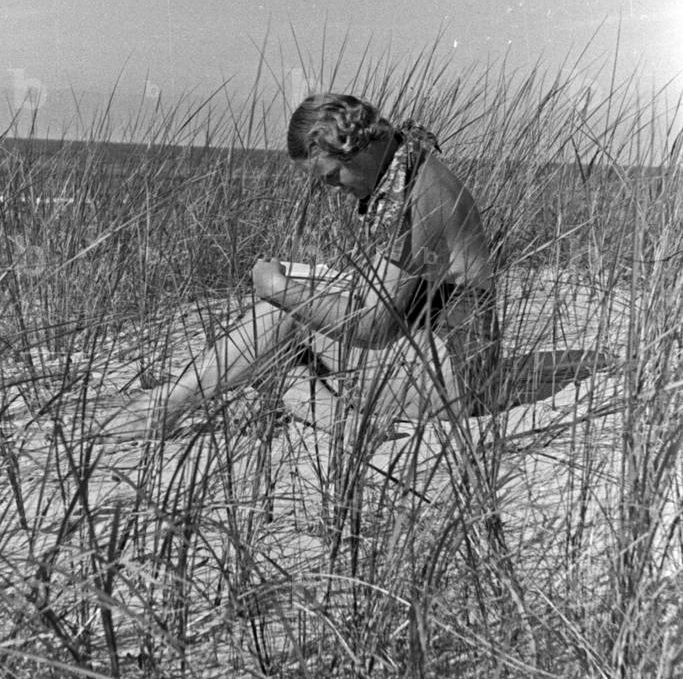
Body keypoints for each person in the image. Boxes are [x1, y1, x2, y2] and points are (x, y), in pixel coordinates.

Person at [101, 93, 500, 443]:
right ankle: (337, 419)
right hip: (442, 353)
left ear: (353, 146)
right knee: (267, 345)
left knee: (275, 326)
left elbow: (375, 328)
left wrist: (278, 289)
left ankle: (166, 408)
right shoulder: (409, 163)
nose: (332, 187)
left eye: (331, 175)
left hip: (457, 378)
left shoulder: (412, 197)